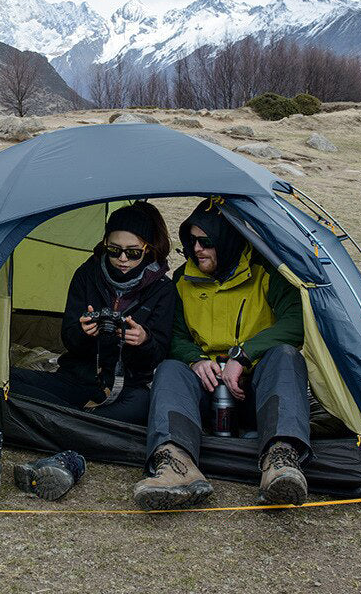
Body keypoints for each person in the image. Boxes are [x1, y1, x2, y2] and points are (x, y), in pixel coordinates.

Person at [133, 198, 310, 509]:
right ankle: (176, 466)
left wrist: (243, 357)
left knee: (285, 355)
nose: (197, 249)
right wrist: (196, 359)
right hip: (208, 392)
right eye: (192, 241)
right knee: (172, 368)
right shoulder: (183, 280)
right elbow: (173, 336)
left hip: (257, 390)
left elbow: (297, 322)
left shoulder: (266, 272)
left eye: (206, 241)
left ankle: (280, 460)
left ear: (228, 240)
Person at [9, 201, 175, 425]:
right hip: (78, 377)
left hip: (128, 387)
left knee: (144, 405)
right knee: (6, 380)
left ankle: (61, 418)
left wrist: (144, 340)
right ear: (105, 243)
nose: (123, 259)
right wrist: (83, 332)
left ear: (148, 248)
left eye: (133, 252)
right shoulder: (87, 274)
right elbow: (69, 338)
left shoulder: (163, 289)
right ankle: (81, 422)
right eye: (114, 250)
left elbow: (158, 354)